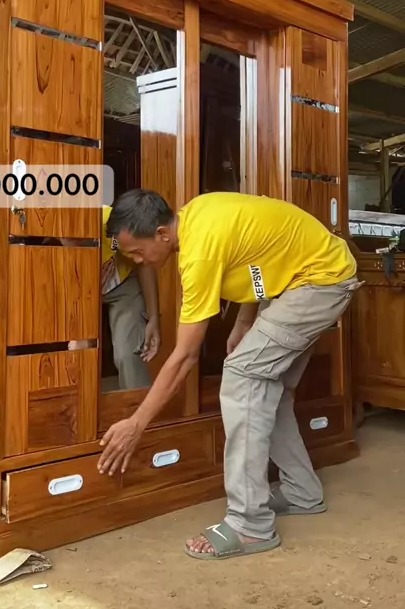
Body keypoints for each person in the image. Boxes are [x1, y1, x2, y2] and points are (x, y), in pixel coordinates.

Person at [96, 189, 362, 561]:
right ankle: (302, 491)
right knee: (268, 388)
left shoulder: (198, 252)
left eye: (138, 252)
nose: (138, 261)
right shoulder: (197, 215)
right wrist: (243, 321)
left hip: (319, 282)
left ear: (161, 234)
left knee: (242, 377)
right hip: (306, 278)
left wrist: (136, 424)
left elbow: (185, 356)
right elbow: (257, 260)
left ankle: (250, 525)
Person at [101, 205, 161, 390]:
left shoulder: (110, 221)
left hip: (122, 283)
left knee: (128, 355)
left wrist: (153, 316)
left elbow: (143, 262)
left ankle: (138, 407)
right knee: (78, 353)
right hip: (77, 292)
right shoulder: (44, 234)